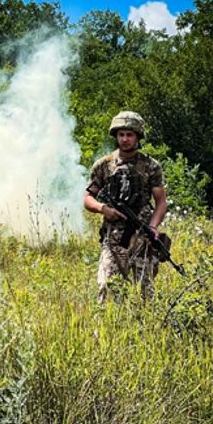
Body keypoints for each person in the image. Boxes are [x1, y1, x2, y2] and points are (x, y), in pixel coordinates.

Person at [83, 111, 168, 302]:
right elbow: (88, 198)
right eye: (121, 134)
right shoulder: (103, 165)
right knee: (106, 286)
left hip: (142, 237)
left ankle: (146, 329)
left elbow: (161, 203)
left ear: (138, 136)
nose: (125, 139)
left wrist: (153, 228)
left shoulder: (151, 166)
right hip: (113, 238)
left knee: (145, 293)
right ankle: (104, 329)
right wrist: (103, 209)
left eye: (129, 134)